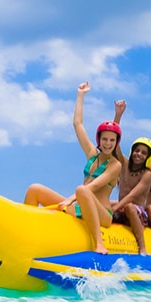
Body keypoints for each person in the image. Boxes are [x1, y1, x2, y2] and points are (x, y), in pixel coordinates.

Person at [23, 82, 124, 253]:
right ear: (99, 140)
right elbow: (78, 125)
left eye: (112, 140)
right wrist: (80, 95)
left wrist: (69, 199)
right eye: (105, 139)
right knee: (35, 189)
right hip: (80, 207)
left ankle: (98, 243)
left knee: (83, 190)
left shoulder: (116, 165)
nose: (108, 143)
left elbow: (92, 187)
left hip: (102, 215)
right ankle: (24, 231)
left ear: (116, 143)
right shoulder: (93, 154)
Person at [111, 135, 151, 253]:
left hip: (137, 213)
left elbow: (133, 195)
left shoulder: (147, 174)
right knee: (103, 202)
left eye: (143, 153)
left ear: (148, 157)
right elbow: (115, 144)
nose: (139, 154)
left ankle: (142, 246)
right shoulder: (124, 164)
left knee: (129, 207)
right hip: (121, 208)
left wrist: (115, 208)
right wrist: (117, 117)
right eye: (137, 150)